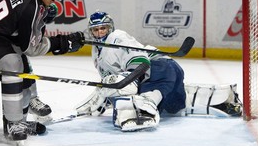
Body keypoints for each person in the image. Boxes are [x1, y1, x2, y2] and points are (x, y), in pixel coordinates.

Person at [75, 11, 242, 132]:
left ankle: (141, 111)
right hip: (169, 70)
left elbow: (140, 62)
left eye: (103, 28)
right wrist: (105, 95)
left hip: (158, 69)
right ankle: (222, 99)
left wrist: (114, 88)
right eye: (96, 30)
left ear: (110, 28)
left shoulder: (117, 37)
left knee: (132, 96)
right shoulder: (97, 50)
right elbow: (112, 79)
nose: (99, 33)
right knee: (175, 106)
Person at [0, 0, 85, 143]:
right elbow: (31, 47)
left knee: (24, 71)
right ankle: (14, 123)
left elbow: (22, 25)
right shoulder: (30, 6)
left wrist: (43, 15)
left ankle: (20, 122)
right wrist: (63, 43)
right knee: (13, 64)